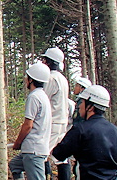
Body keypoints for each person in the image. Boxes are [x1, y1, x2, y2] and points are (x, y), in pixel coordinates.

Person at [52, 85, 117, 179]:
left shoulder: (80, 130)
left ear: (90, 107)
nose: (79, 106)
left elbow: (58, 153)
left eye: (82, 102)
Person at [9, 62, 52, 180]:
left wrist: (18, 142)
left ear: (31, 80)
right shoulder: (43, 96)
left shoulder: (34, 97)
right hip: (37, 148)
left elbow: (28, 125)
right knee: (14, 165)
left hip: (34, 151)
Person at [41, 47, 70, 179]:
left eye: (45, 60)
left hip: (52, 123)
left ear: (49, 62)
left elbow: (43, 99)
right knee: (61, 158)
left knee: (42, 154)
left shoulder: (50, 78)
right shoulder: (62, 79)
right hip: (62, 122)